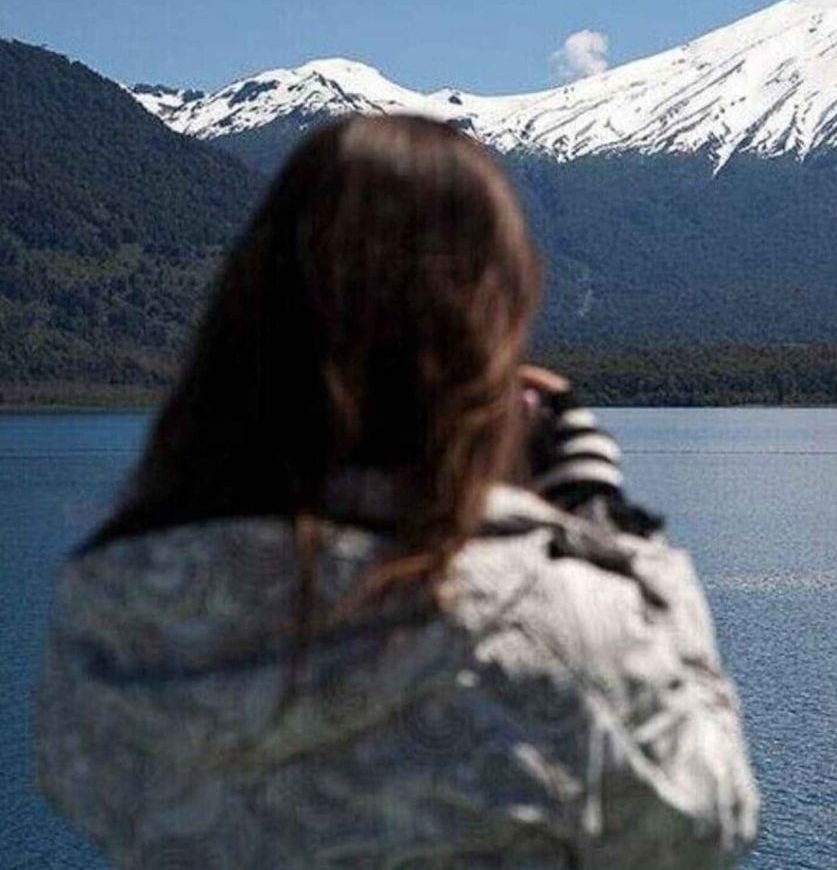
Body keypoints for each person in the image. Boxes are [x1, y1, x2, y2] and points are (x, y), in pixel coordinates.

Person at [33, 115, 759, 869]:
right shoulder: (562, 621)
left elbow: (78, 784)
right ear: (485, 339)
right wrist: (600, 522)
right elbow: (708, 817)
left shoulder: (110, 611)